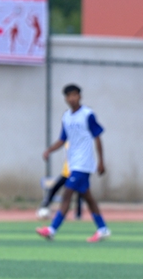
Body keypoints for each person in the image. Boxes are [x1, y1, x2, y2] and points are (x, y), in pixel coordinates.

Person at [37, 84, 109, 242]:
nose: (72, 98)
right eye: (69, 96)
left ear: (80, 96)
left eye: (75, 95)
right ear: (65, 99)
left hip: (84, 164)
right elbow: (62, 139)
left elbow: (97, 138)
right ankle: (103, 229)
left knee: (67, 194)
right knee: (88, 198)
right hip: (73, 163)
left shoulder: (88, 115)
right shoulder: (66, 117)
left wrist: (101, 162)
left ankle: (52, 229)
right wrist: (49, 150)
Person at [38, 149, 82, 221]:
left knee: (80, 193)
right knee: (54, 189)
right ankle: (45, 207)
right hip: (65, 174)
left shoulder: (76, 144)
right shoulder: (67, 142)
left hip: (74, 173)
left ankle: (78, 214)